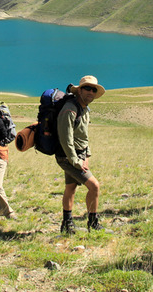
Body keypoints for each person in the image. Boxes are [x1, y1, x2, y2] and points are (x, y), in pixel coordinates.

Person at [56, 75, 105, 234]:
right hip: (68, 157)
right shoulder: (70, 109)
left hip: (78, 156)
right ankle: (93, 223)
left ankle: (67, 225)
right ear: (80, 90)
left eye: (93, 89)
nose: (91, 92)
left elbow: (83, 136)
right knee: (94, 186)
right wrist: (76, 161)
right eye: (87, 88)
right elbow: (65, 139)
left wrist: (87, 156)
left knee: (70, 187)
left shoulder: (84, 108)